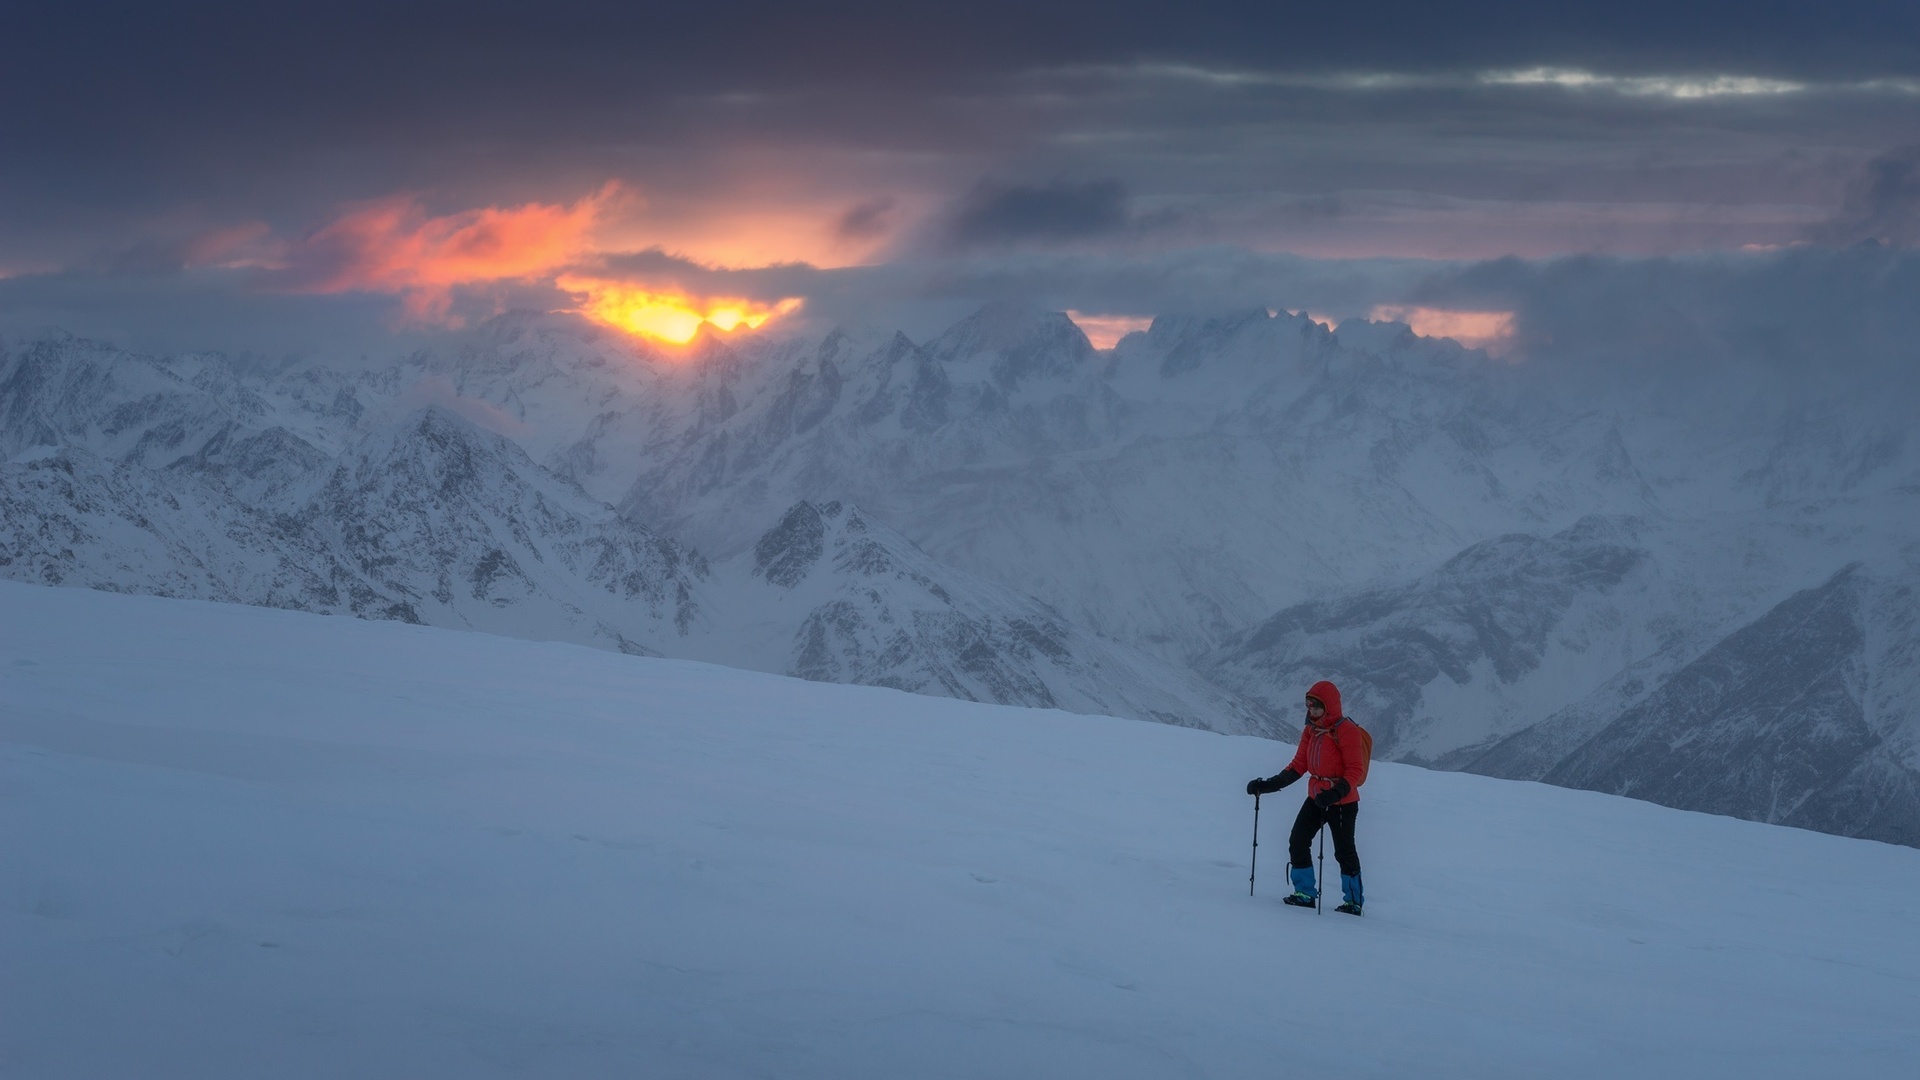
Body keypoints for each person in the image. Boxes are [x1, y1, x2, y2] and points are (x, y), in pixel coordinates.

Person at [1246, 680, 1365, 914]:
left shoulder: (1347, 731)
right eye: (1309, 706)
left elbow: (1355, 770)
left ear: (1329, 706)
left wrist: (1335, 793)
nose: (1312, 711)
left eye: (1316, 706)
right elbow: (1299, 765)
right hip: (1317, 798)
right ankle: (1304, 894)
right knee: (1298, 840)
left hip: (1343, 802)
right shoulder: (1311, 730)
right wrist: (1269, 785)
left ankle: (1353, 902)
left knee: (1344, 851)